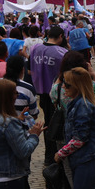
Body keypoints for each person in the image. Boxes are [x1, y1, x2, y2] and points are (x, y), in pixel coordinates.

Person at [29, 26, 68, 163]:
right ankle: (56, 155)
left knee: (49, 121)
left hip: (42, 92)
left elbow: (30, 68)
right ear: (61, 36)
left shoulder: (35, 49)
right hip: (57, 94)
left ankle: (49, 154)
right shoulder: (62, 52)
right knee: (57, 123)